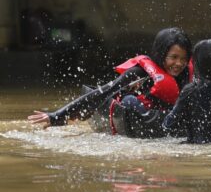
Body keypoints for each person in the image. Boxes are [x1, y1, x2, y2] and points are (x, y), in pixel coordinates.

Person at [28, 27, 193, 138]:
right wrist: (56, 116)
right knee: (128, 101)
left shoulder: (188, 74)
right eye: (173, 57)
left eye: (183, 59)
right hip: (141, 111)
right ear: (161, 53)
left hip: (165, 118)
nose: (179, 64)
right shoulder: (139, 73)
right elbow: (102, 93)